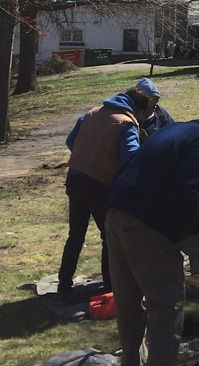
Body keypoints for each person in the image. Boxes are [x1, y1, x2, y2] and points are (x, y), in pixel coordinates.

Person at [105, 109, 199, 366]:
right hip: (145, 224)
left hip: (116, 214)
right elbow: (183, 192)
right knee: (167, 305)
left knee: (128, 302)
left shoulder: (172, 131)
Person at [57, 86, 152, 297]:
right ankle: (111, 286)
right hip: (99, 186)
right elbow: (131, 158)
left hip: (75, 180)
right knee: (109, 237)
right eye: (142, 112)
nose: (142, 117)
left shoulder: (91, 113)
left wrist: (89, 156)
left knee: (75, 235)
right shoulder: (126, 123)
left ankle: (63, 285)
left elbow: (71, 141)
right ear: (137, 109)